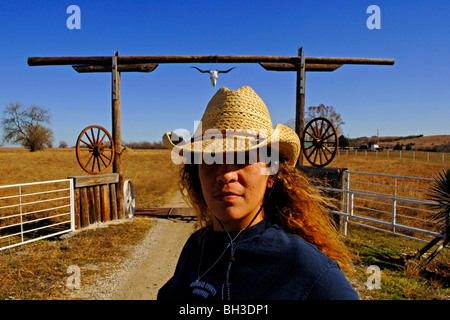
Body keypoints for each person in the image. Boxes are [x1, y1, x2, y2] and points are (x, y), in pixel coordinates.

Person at [157, 86, 359, 300]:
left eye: (244, 157)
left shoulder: (307, 268)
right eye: (211, 158)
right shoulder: (196, 248)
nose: (226, 175)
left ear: (272, 173)